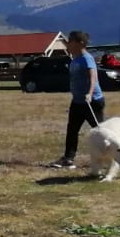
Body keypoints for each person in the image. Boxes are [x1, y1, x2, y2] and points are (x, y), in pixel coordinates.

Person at [49, 31, 106, 169]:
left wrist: (89, 93)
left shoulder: (87, 58)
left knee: (100, 131)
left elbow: (93, 77)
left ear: (80, 43)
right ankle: (68, 158)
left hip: (91, 101)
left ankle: (115, 156)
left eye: (71, 41)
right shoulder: (75, 58)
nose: (68, 44)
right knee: (72, 129)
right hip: (77, 101)